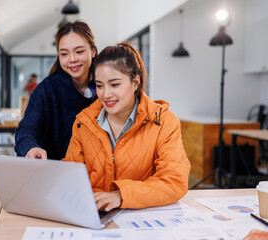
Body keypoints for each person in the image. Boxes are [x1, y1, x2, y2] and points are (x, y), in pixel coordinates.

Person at [63, 42, 190, 211]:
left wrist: (120, 195)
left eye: (115, 85)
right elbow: (70, 177)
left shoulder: (164, 122)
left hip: (142, 221)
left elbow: (174, 181)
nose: (106, 94)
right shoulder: (82, 123)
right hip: (94, 217)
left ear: (135, 83)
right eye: (99, 86)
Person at [15, 20, 98, 160]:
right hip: (52, 173)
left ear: (93, 51)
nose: (72, 59)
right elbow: (25, 129)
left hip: (97, 176)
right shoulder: (47, 90)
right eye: (64, 54)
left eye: (79, 51)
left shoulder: (105, 89)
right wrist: (31, 147)